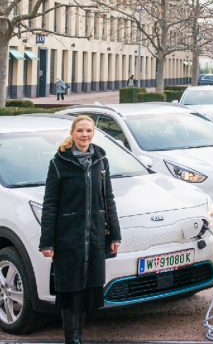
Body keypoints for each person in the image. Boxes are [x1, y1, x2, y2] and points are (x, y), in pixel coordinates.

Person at [40, 115, 121, 344]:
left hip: (94, 236)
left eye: (89, 130)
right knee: (71, 292)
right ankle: (72, 341)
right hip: (68, 238)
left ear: (93, 133)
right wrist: (47, 241)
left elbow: (108, 199)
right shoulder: (59, 163)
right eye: (80, 131)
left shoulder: (101, 161)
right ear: (72, 133)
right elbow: (50, 204)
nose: (85, 135)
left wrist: (114, 234)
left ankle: (78, 338)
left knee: (86, 291)